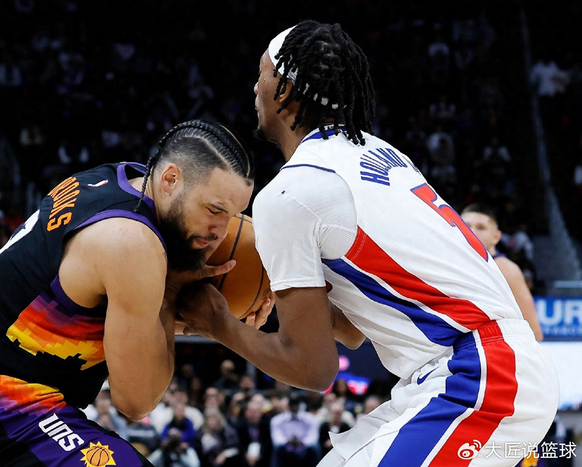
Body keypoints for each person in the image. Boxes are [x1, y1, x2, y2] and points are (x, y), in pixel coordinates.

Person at [177, 20, 559, 466]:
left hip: (479, 377)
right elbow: (354, 329)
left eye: (261, 74)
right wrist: (282, 292)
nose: (254, 87)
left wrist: (217, 323)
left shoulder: (290, 193)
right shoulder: (382, 153)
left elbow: (312, 369)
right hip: (473, 374)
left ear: (283, 89)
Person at [0, 120, 267, 467]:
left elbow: (86, 320)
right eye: (214, 210)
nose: (222, 232)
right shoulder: (132, 243)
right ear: (170, 179)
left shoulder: (115, 179)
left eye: (233, 216)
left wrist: (197, 322)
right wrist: (169, 293)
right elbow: (137, 401)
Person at [461, 204, 544, 341]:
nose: (471, 231)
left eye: (481, 227)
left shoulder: (506, 269)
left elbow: (534, 330)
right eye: (465, 225)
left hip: (490, 348)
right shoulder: (447, 262)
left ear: (496, 237)